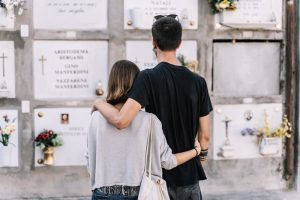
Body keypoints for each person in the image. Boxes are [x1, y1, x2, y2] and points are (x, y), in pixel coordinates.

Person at [93, 15, 213, 200]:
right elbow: (204, 136)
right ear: (179, 43)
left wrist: (98, 103)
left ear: (154, 42)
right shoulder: (198, 82)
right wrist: (200, 158)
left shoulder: (147, 78)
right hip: (189, 178)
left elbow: (121, 120)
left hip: (156, 179)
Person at [87, 60, 202, 200]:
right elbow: (168, 161)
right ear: (137, 85)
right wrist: (196, 151)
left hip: (101, 194)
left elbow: (89, 161)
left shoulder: (96, 118)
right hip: (139, 194)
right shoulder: (149, 120)